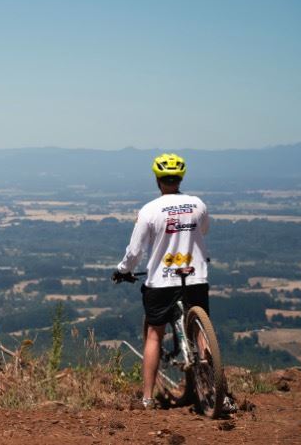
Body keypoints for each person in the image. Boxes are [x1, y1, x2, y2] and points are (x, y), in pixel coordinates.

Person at [112, 153, 211, 409]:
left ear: (157, 179)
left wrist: (123, 270)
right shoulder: (198, 205)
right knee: (200, 331)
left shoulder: (149, 211)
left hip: (161, 282)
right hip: (195, 277)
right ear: (181, 178)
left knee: (155, 335)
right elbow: (204, 230)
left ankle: (146, 398)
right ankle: (213, 388)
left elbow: (134, 253)